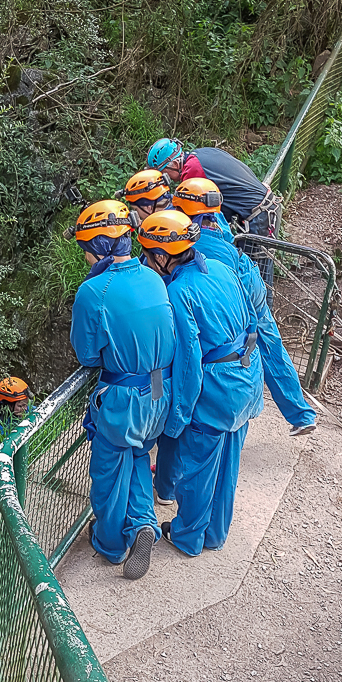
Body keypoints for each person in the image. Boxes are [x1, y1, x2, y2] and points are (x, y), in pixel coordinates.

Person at [137, 209, 264, 557]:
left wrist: (178, 417)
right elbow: (252, 319)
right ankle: (215, 534)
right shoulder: (221, 268)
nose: (146, 262)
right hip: (247, 374)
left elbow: (189, 363)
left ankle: (187, 537)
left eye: (147, 255)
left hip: (217, 390)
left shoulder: (179, 292)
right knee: (228, 466)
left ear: (161, 256)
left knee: (198, 470)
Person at [68, 200, 175, 580]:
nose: (84, 256)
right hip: (160, 392)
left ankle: (110, 545)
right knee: (139, 455)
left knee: (109, 473)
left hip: (123, 400)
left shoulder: (93, 291)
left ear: (99, 246)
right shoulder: (153, 277)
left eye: (85, 248)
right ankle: (143, 523)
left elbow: (87, 354)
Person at [172, 178, 317, 438]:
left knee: (239, 342)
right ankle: (301, 413)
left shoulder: (194, 241)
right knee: (270, 344)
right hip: (250, 276)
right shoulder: (217, 220)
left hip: (239, 287)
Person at [147, 138, 282, 303]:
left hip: (258, 216)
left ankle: (264, 314)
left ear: (174, 164)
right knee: (256, 273)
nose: (167, 180)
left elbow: (190, 211)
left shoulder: (193, 171)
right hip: (263, 207)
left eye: (164, 174)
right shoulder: (202, 154)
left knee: (256, 278)